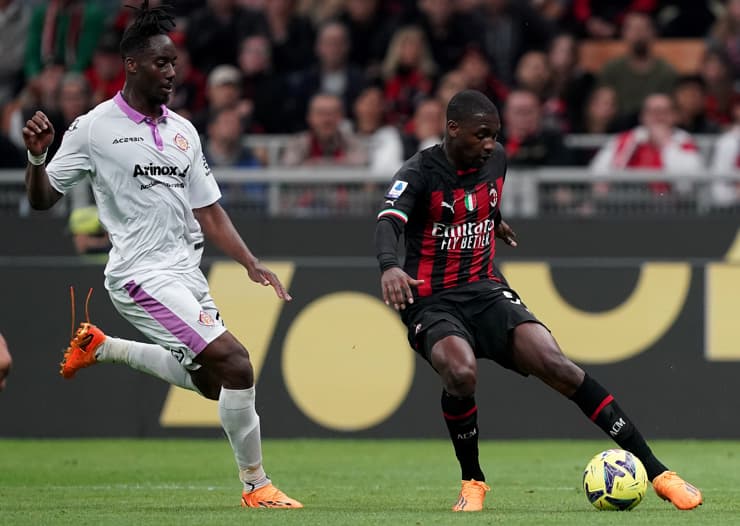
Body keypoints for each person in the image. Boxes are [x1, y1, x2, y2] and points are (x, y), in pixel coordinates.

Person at [22, 1, 302, 510]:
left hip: (186, 274)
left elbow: (209, 211)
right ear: (132, 65)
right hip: (139, 276)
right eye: (161, 63)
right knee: (238, 364)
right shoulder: (93, 127)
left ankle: (102, 347)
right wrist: (38, 157)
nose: (172, 72)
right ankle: (256, 486)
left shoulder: (183, 131)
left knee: (215, 386)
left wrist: (249, 260)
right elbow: (42, 200)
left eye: (174, 63)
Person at [374, 89, 703, 512]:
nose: (490, 143)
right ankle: (473, 482)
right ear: (453, 129)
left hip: (486, 289)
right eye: (481, 135)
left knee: (557, 365)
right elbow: (389, 221)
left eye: (494, 135)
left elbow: (478, 201)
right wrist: (389, 266)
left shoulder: (494, 162)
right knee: (460, 371)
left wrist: (493, 220)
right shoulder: (419, 171)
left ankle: (660, 474)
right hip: (432, 299)